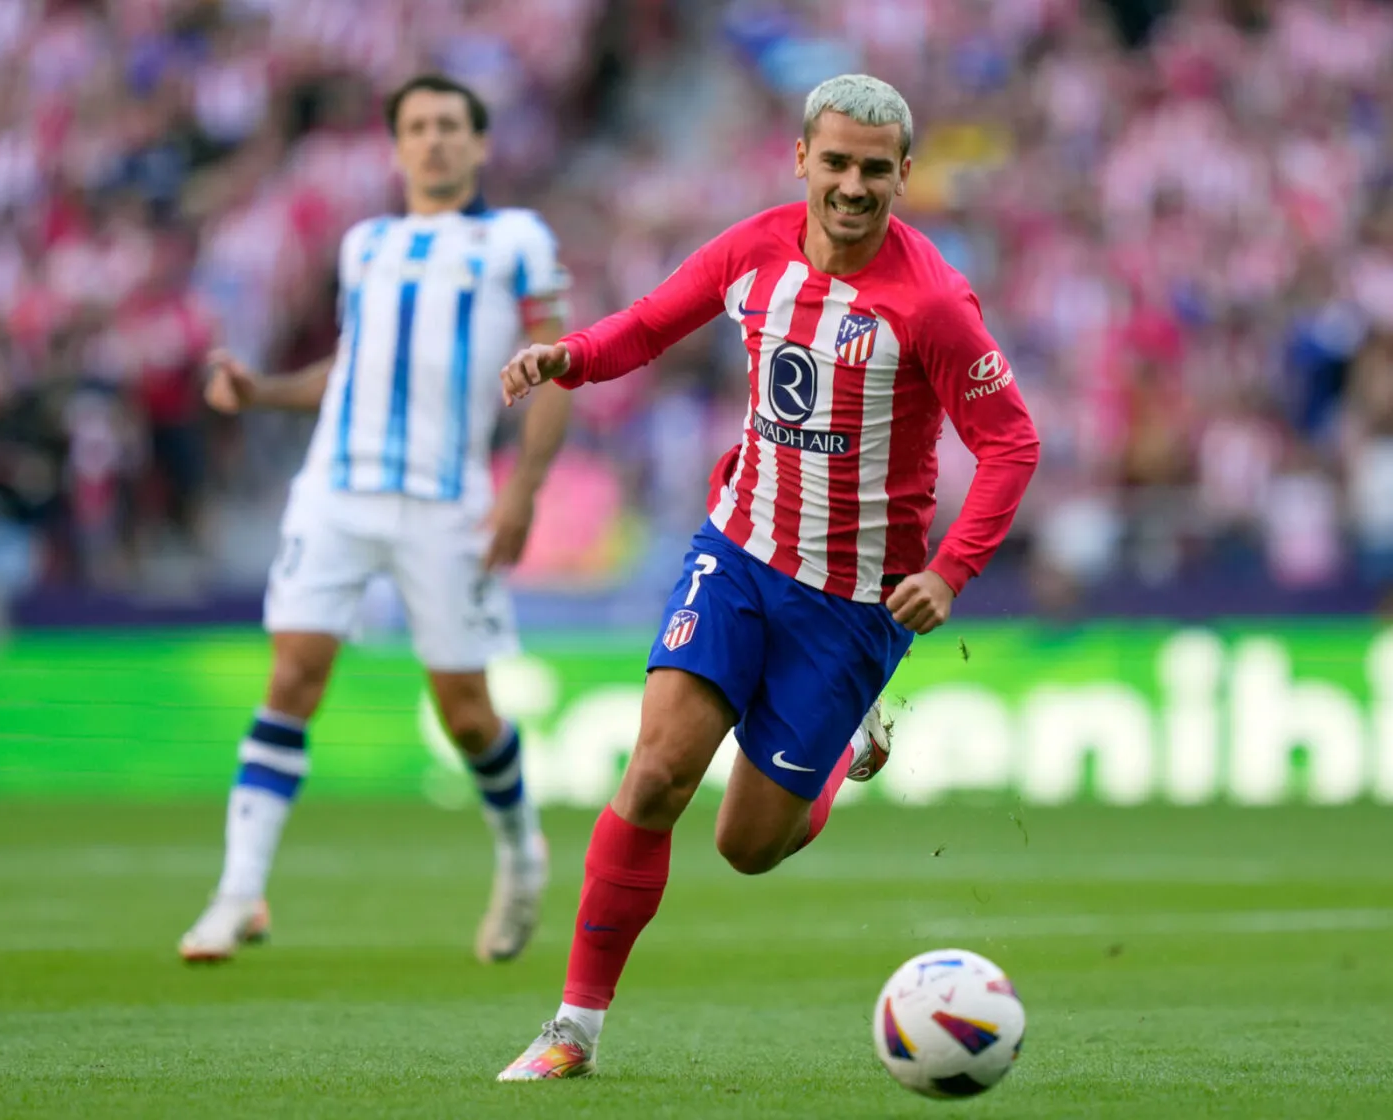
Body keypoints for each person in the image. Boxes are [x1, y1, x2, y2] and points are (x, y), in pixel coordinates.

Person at [493, 73, 1041, 1081]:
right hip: (738, 553)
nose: (851, 186)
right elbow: (650, 323)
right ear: (800, 159)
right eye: (834, 162)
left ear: (903, 176)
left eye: (874, 170)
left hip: (848, 608)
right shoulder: (751, 250)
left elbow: (1009, 444)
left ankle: (844, 740)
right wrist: (566, 355)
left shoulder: (932, 303)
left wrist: (952, 571)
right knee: (655, 772)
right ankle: (572, 1028)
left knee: (746, 845)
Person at [178, 74, 572, 966]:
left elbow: (557, 366)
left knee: (467, 714)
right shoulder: (367, 246)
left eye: (448, 127)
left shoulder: (515, 239)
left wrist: (524, 493)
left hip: (447, 500)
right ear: (394, 148)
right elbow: (351, 368)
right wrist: (263, 391)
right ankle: (237, 894)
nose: (432, 141)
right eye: (416, 128)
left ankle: (521, 855)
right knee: (293, 676)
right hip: (337, 488)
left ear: (478, 145)